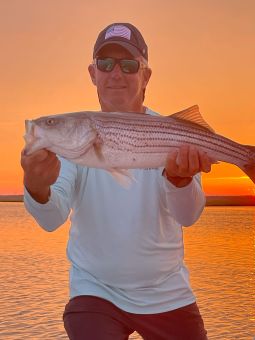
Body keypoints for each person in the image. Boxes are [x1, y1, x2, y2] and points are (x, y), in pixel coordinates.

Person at [21, 22, 211, 340]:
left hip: (166, 292)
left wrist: (179, 181)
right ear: (93, 73)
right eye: (105, 64)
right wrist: (36, 186)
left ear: (145, 75)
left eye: (129, 64)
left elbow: (188, 216)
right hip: (95, 293)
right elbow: (52, 218)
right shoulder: (70, 147)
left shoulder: (172, 134)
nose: (116, 74)